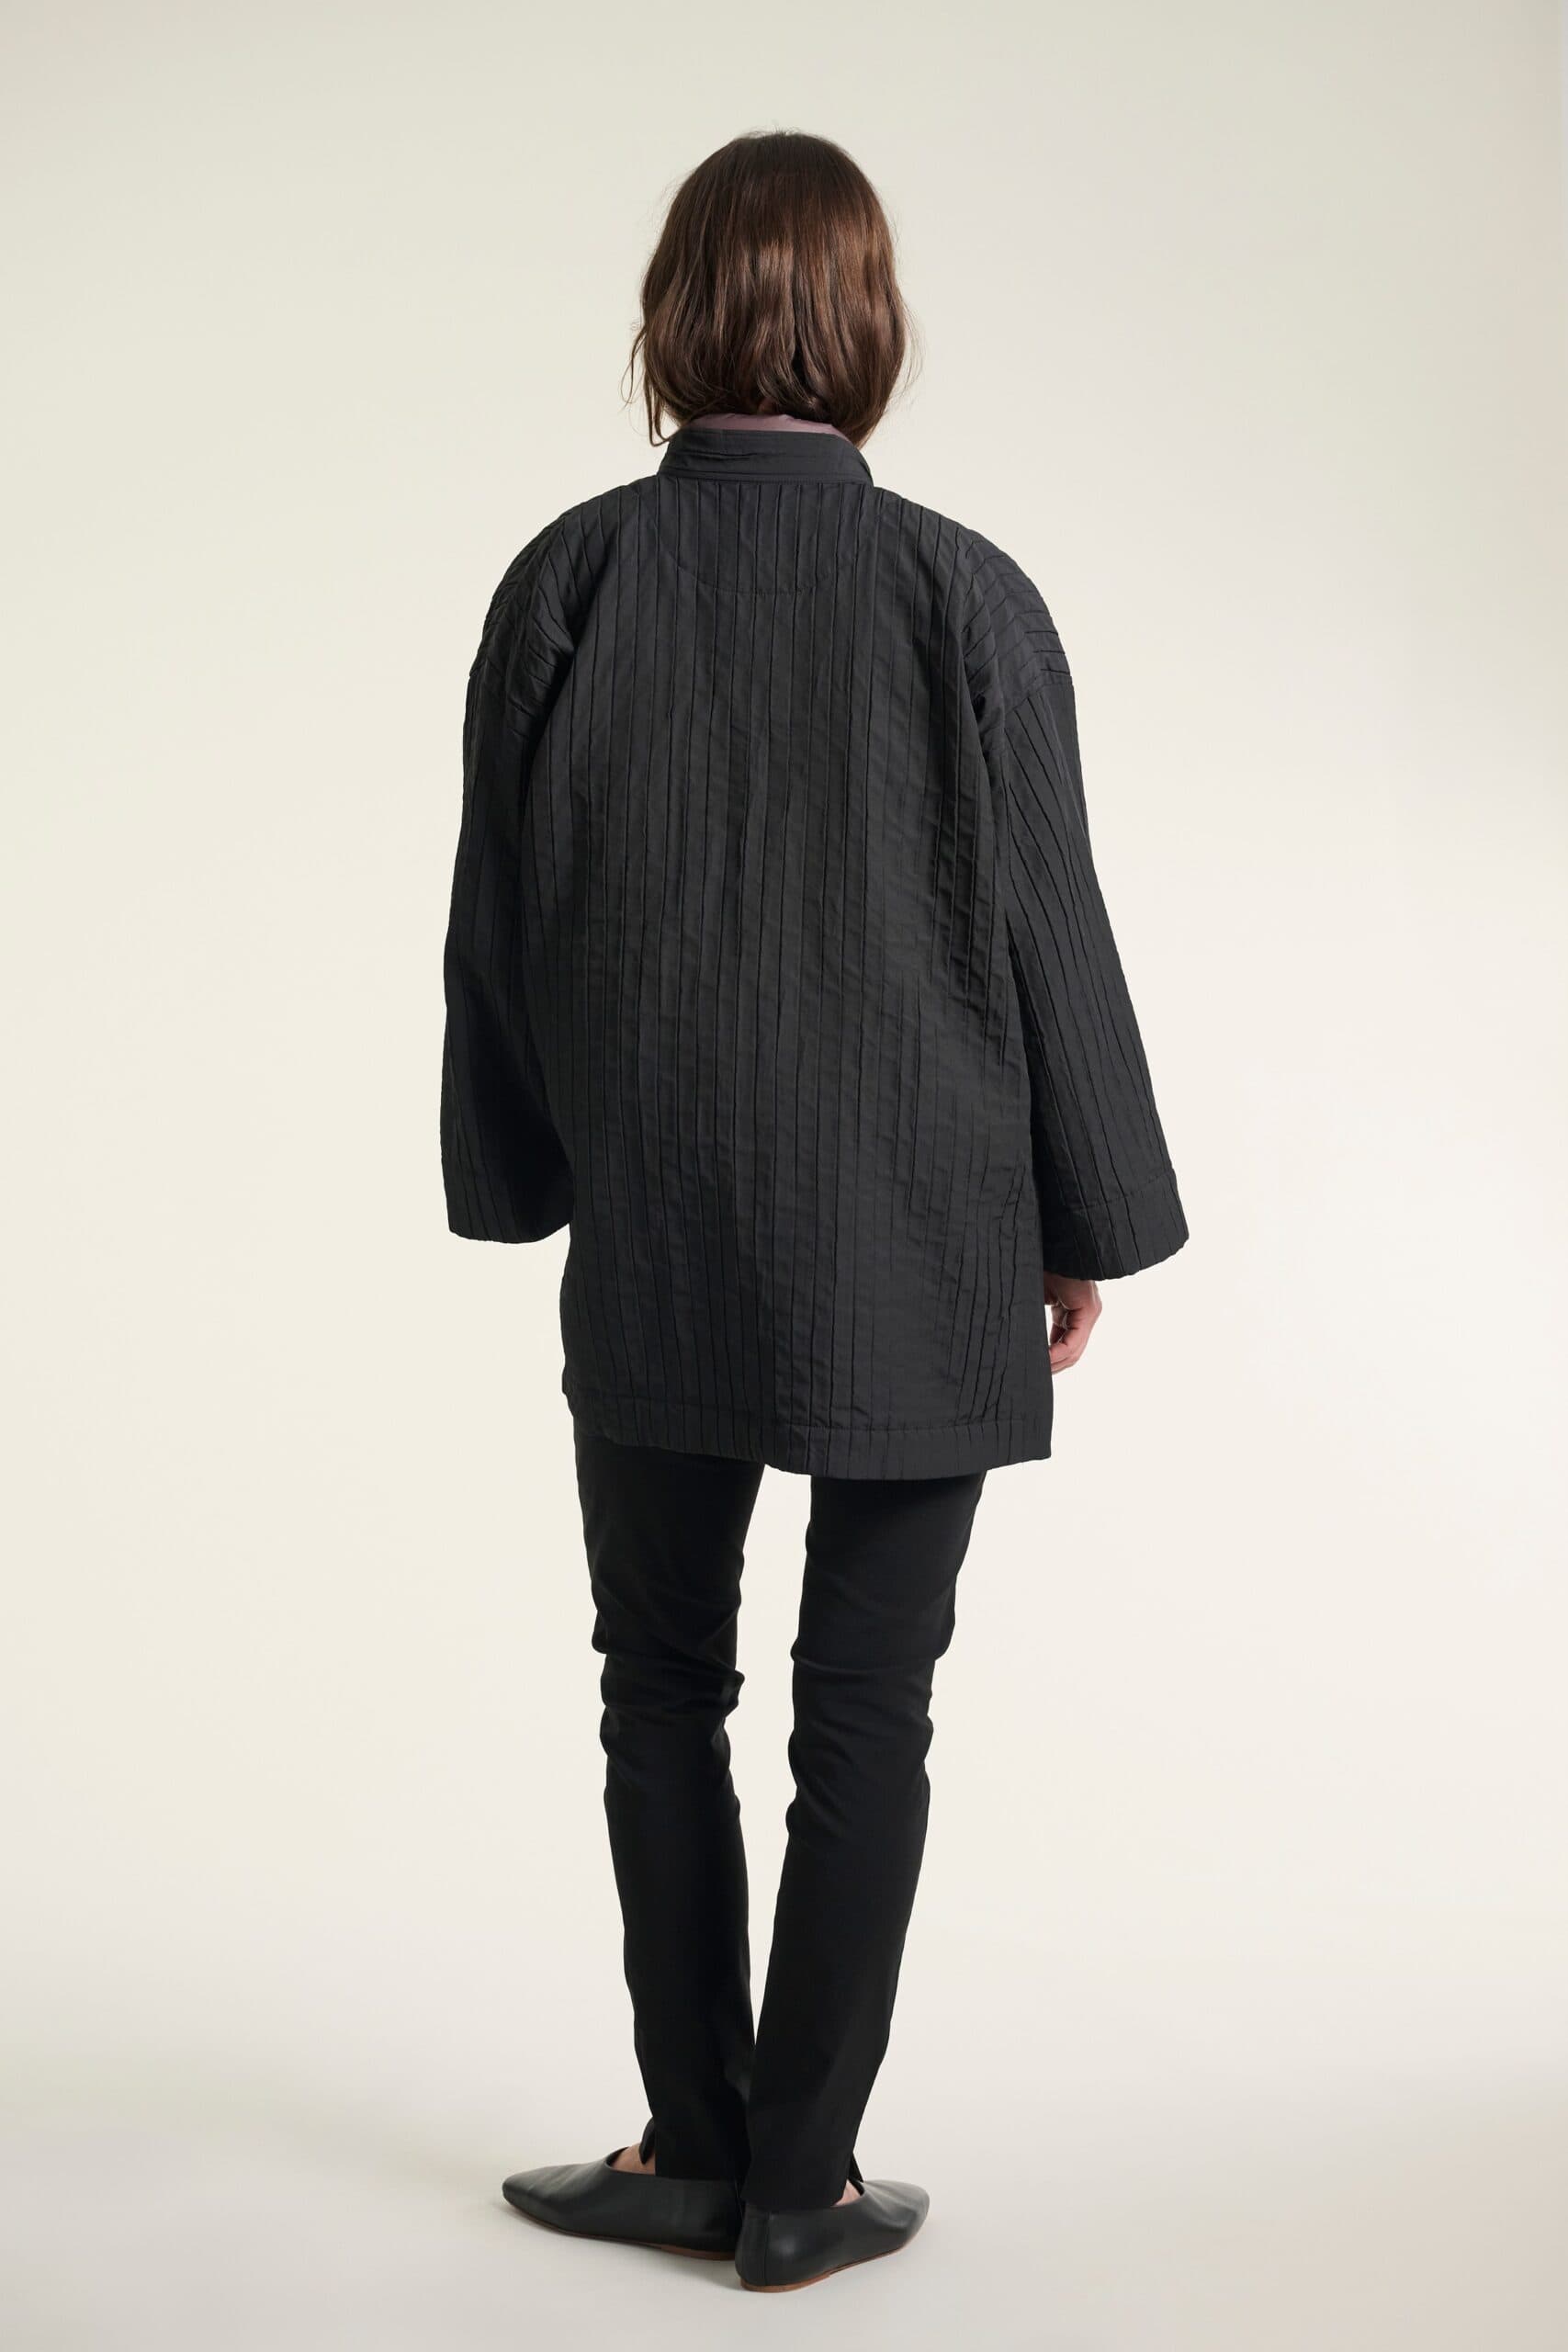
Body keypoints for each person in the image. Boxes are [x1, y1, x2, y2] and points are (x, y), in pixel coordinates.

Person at [440, 128, 1187, 2294]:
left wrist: (527, 1173)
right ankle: (802, 2182)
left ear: (669, 317)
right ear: (868, 326)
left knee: (657, 1679)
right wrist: (1081, 1215)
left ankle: (689, 2142)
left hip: (661, 1217)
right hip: (917, 1225)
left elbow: (502, 924)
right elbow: (1047, 927)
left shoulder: (568, 577)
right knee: (867, 1702)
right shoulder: (964, 591)